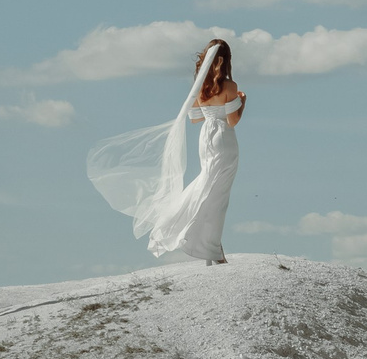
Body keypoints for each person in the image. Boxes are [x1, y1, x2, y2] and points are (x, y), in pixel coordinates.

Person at [85, 38, 247, 264]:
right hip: (224, 139)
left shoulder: (199, 87)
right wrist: (242, 101)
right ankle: (205, 245)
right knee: (217, 194)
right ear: (227, 59)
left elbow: (196, 119)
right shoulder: (230, 86)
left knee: (207, 184)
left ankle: (208, 247)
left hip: (206, 137)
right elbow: (232, 121)